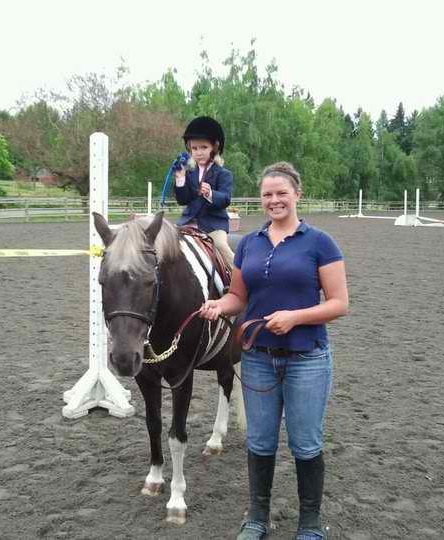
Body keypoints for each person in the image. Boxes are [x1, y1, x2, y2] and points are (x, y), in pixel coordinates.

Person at [199, 162, 349, 540]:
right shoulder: (248, 243)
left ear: (297, 194)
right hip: (258, 360)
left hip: (307, 359)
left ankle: (310, 524)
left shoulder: (320, 243)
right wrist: (219, 305)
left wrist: (296, 317)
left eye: (282, 193)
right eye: (267, 194)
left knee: (306, 443)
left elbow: (339, 303)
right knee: (260, 441)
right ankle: (257, 519)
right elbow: (238, 296)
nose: (274, 200)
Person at [173, 116, 235, 266]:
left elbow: (226, 199)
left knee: (220, 246)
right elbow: (183, 199)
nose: (198, 152)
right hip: (187, 223)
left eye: (203, 147)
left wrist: (210, 194)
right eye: (194, 148)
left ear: (215, 147)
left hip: (213, 225)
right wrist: (180, 180)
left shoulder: (224, 174)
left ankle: (239, 279)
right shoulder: (188, 172)